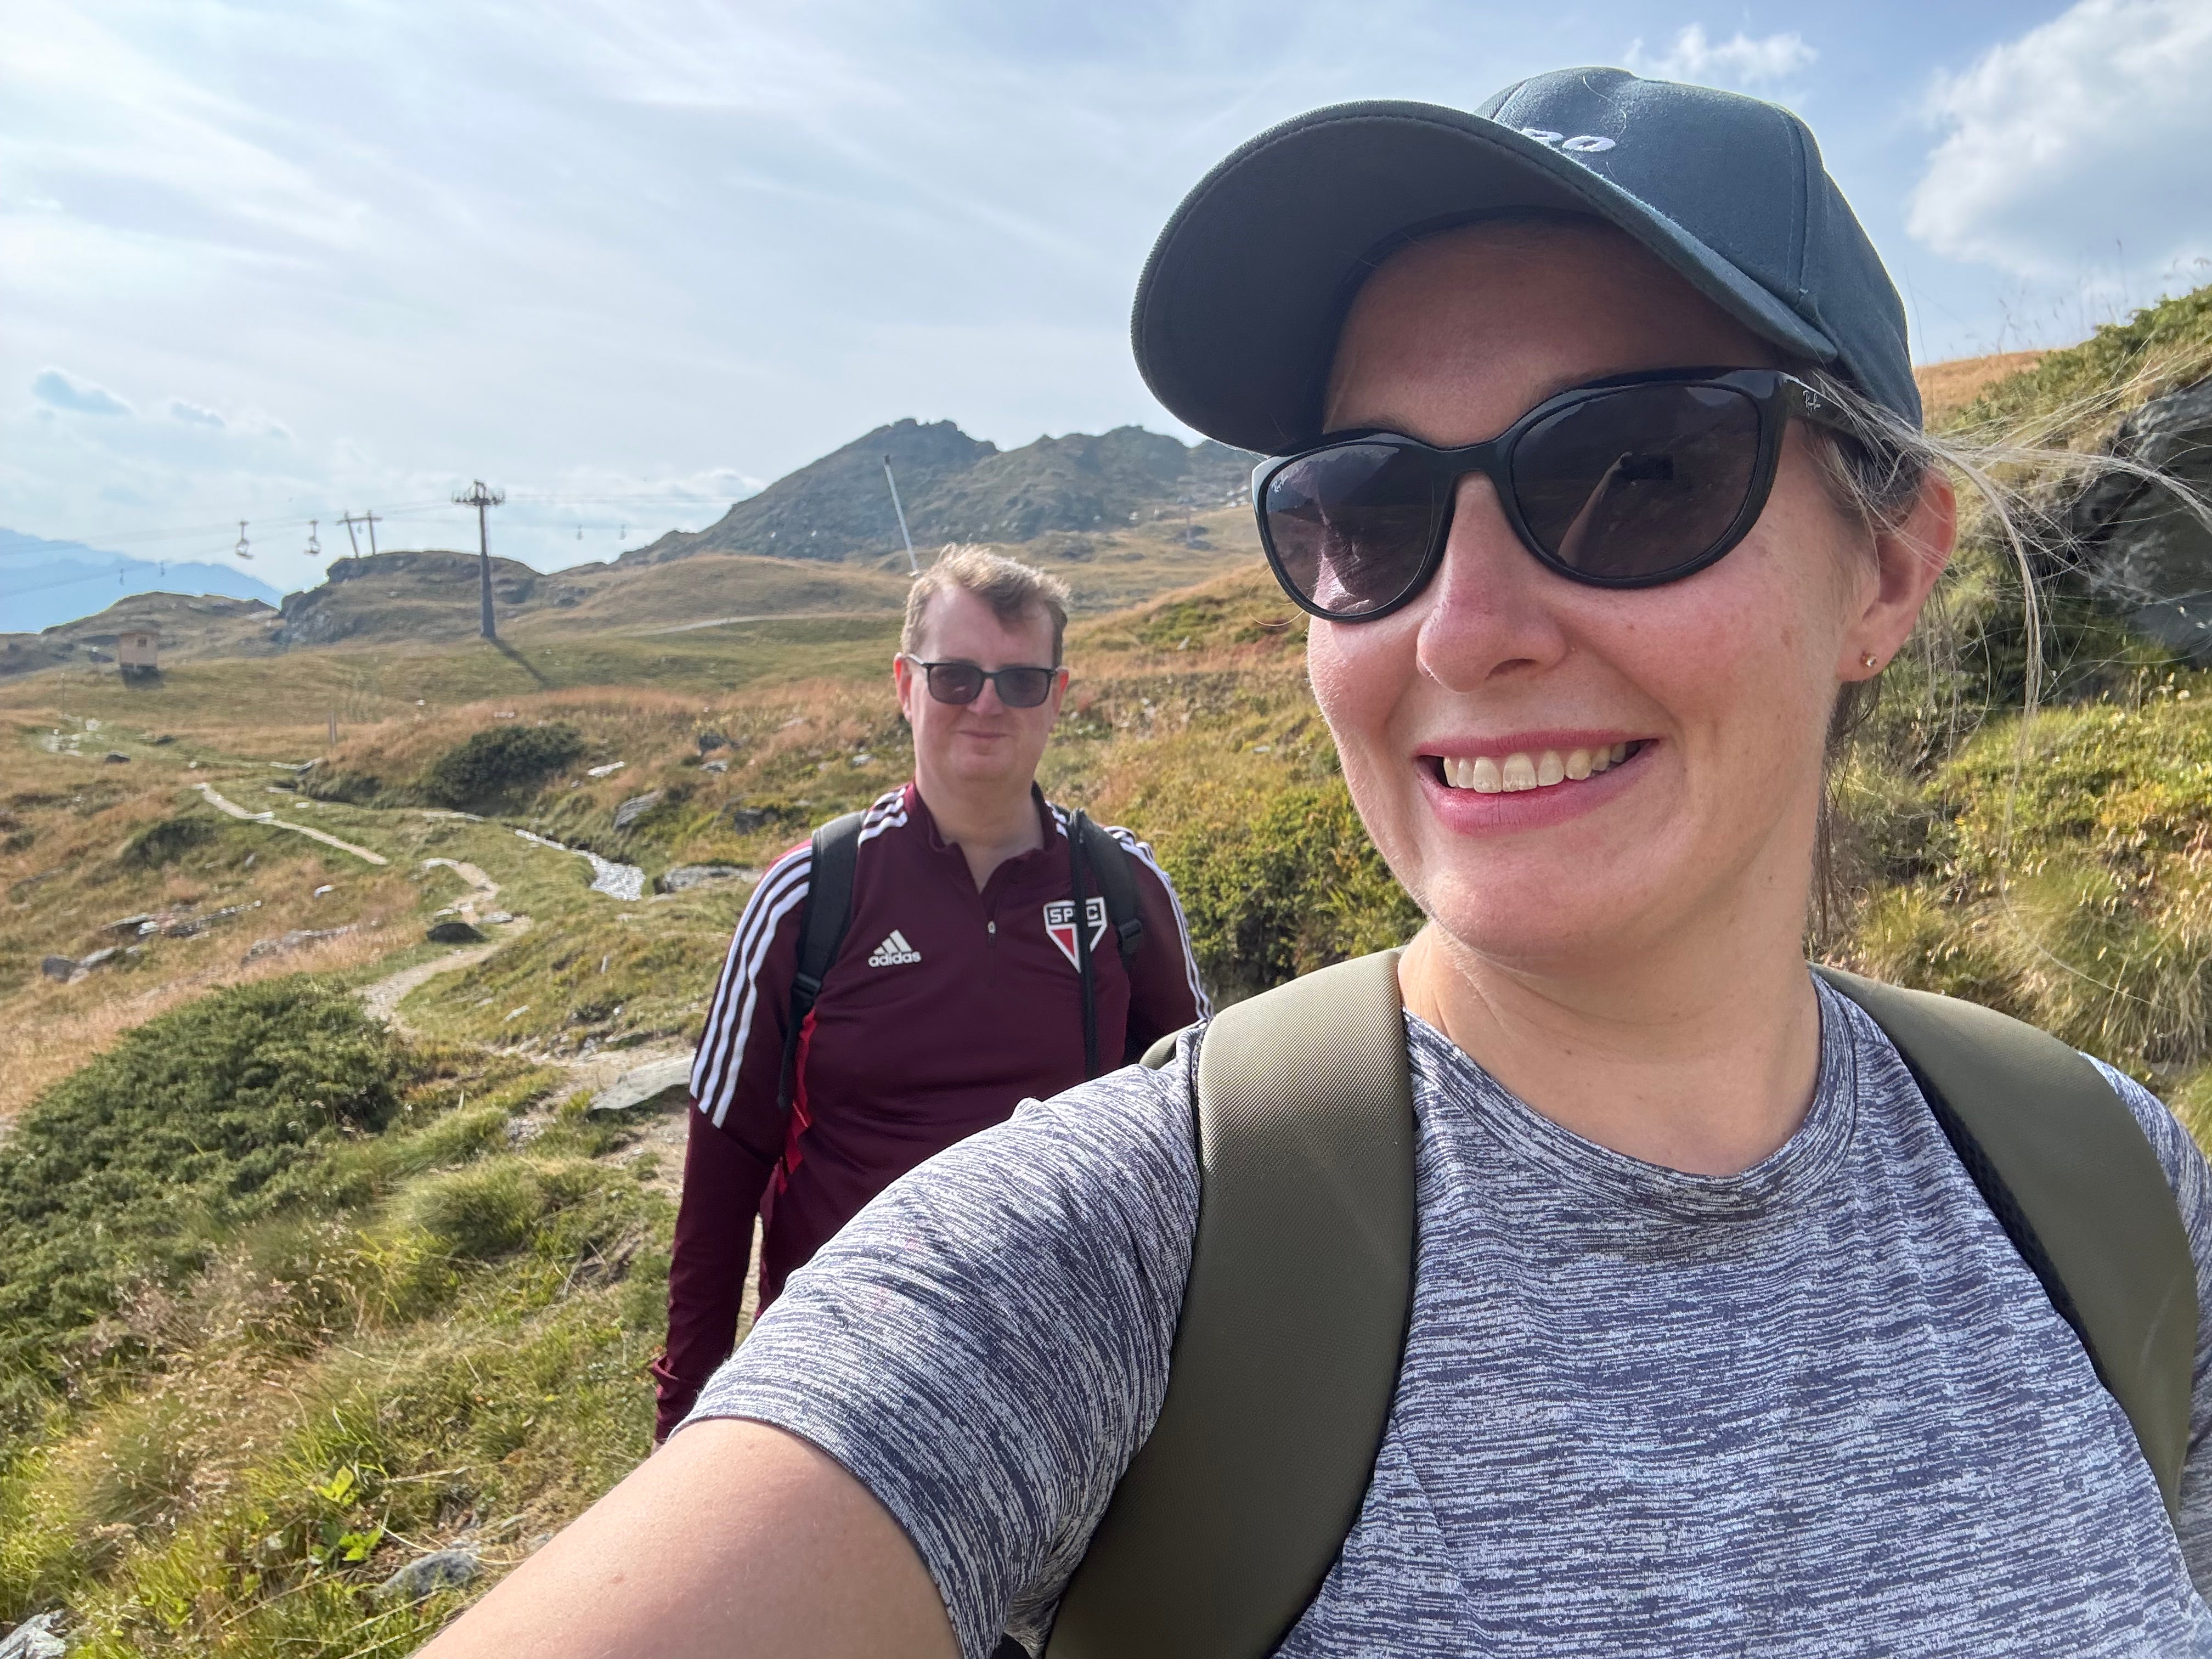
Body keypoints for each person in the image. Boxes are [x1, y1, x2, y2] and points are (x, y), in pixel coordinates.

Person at [425, 69, 2212, 1659]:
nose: (1466, 625)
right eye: (1365, 509)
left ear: (1890, 570)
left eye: (1641, 470)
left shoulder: (2114, 1192)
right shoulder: (1102, 1252)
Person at [650, 544, 1207, 1440]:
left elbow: (1197, 1131)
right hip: (841, 1378)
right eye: (956, 678)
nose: (987, 704)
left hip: (1070, 1370)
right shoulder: (811, 895)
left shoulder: (1121, 890)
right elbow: (720, 1181)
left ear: (1058, 700)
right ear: (906, 685)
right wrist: (688, 1421)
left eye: (1020, 682)